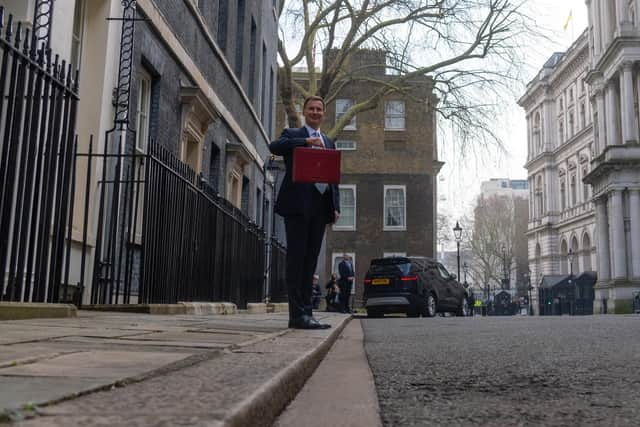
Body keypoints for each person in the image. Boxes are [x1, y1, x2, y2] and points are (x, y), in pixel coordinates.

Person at [269, 95, 340, 330]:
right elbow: (274, 147)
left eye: (319, 109)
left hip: (320, 208)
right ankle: (296, 314)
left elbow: (333, 178)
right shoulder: (294, 135)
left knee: (310, 262)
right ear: (305, 111)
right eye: (312, 109)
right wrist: (306, 142)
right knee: (296, 260)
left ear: (324, 113)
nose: (316, 112)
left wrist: (336, 205)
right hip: (298, 206)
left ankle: (308, 313)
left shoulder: (329, 141)